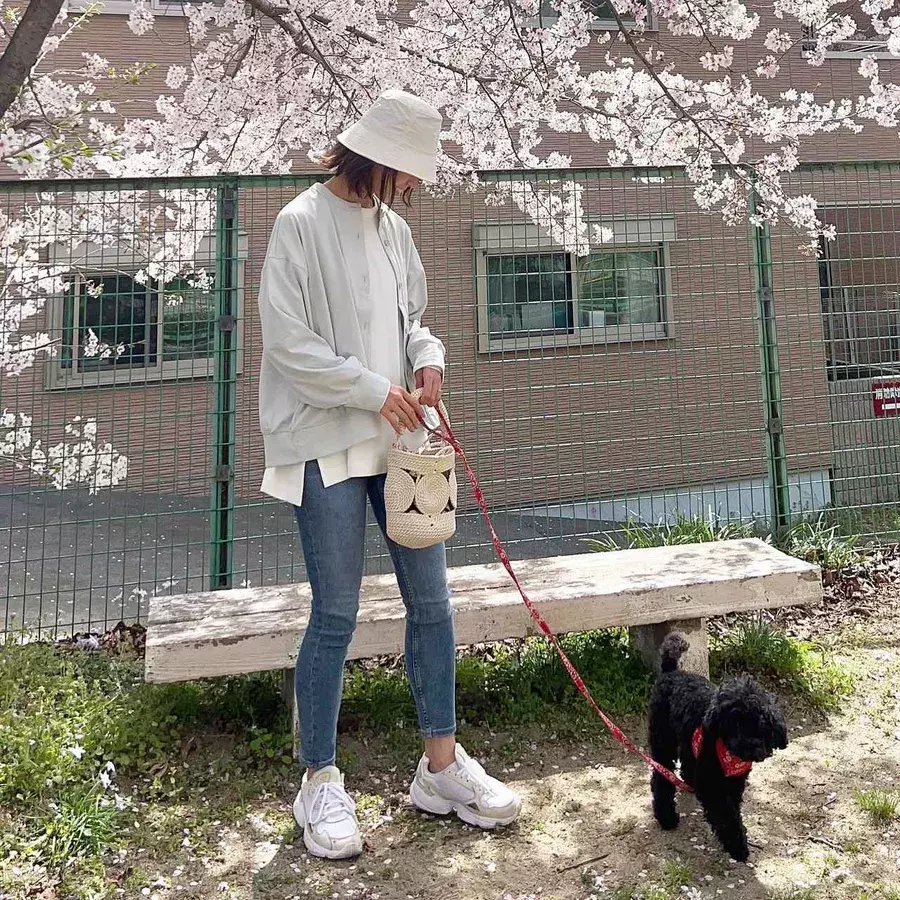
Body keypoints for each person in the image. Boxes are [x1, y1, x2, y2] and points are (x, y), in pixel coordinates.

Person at [257, 90, 522, 861]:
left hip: (404, 444)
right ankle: (319, 780)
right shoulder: (299, 223)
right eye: (407, 171)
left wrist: (428, 359)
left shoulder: (393, 230)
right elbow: (288, 345)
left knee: (433, 604)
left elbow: (413, 322)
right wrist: (375, 390)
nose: (411, 186)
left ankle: (440, 768)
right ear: (375, 156)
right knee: (335, 613)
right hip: (324, 443)